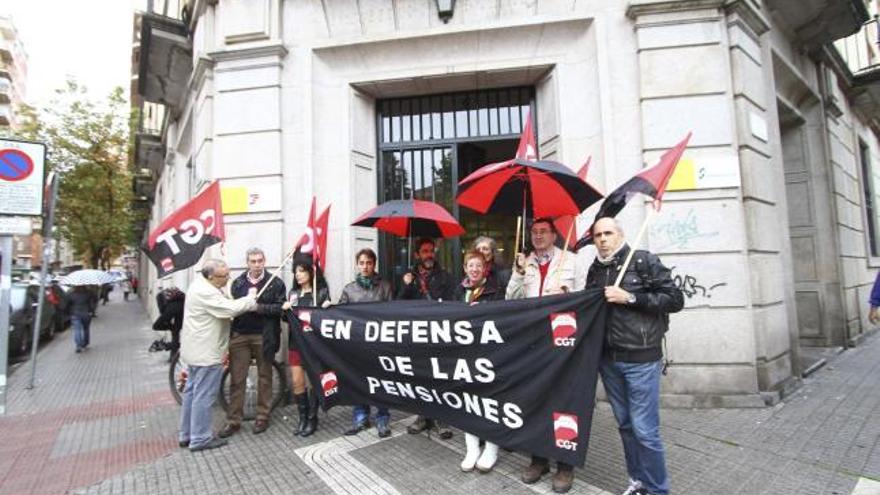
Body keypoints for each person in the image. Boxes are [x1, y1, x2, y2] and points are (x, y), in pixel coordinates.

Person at [586, 217, 683, 495]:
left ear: (620, 235)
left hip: (641, 359)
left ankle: (657, 490)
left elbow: (675, 299)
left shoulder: (643, 261)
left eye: (608, 233)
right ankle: (638, 482)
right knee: (626, 426)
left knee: (644, 430)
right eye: (597, 235)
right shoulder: (595, 270)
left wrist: (630, 297)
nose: (602, 239)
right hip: (608, 360)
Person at [506, 217, 578, 492]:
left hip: (564, 343)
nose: (537, 236)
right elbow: (510, 298)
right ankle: (539, 459)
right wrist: (519, 273)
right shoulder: (525, 263)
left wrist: (570, 294)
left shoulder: (571, 261)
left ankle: (564, 465)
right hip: (534, 343)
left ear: (554, 234)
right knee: (535, 400)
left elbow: (589, 297)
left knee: (564, 402)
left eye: (543, 231)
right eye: (534, 232)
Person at [178, 259, 257, 452]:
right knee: (203, 396)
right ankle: (200, 439)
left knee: (192, 392)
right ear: (211, 276)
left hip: (194, 350)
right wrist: (250, 298)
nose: (228, 278)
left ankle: (186, 434)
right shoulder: (205, 291)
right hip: (206, 352)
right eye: (224, 276)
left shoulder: (201, 285)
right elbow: (229, 309)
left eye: (228, 273)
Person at [219, 247, 287, 438]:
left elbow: (281, 308)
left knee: (265, 377)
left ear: (264, 261)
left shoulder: (275, 283)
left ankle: (262, 416)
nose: (257, 265)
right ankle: (233, 421)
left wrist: (259, 307)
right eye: (253, 261)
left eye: (259, 261)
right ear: (247, 263)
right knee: (237, 379)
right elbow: (230, 307)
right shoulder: (238, 283)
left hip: (264, 336)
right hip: (240, 335)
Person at [398, 237, 455, 438]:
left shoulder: (446, 277)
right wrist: (406, 286)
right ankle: (423, 416)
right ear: (417, 255)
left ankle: (441, 418)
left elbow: (452, 304)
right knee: (420, 376)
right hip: (417, 336)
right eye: (424, 251)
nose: (429, 254)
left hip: (439, 335)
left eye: (431, 250)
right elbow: (398, 306)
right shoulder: (409, 277)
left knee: (439, 377)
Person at [453, 250, 504, 472]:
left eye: (478, 265)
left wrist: (482, 312)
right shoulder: (458, 290)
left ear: (485, 268)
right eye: (470, 265)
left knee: (489, 400)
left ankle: (491, 448)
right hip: (464, 353)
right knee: (468, 400)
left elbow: (503, 317)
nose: (474, 269)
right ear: (465, 268)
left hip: (488, 353)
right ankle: (472, 448)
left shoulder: (495, 290)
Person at [339, 248, 394, 437]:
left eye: (368, 263)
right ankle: (360, 417)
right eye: (361, 263)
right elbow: (339, 315)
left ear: (374, 264)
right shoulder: (349, 289)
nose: (365, 266)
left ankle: (382, 418)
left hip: (379, 343)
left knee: (380, 381)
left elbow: (393, 314)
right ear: (357, 264)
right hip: (357, 344)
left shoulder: (385, 287)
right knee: (358, 380)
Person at [283, 255, 330, 437]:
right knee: (297, 381)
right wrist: (285, 310)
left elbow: (326, 320)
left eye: (302, 271)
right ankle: (302, 417)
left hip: (314, 344)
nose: (298, 275)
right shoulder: (293, 294)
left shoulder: (321, 292)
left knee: (314, 381)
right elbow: (287, 320)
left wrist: (327, 308)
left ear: (311, 272)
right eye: (296, 272)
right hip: (296, 343)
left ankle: (312, 418)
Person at [153, 287, 185, 353]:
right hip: (183, 308)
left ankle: (168, 346)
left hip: (173, 308)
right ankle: (173, 352)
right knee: (176, 331)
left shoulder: (160, 297)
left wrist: (169, 325)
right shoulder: (174, 298)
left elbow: (161, 310)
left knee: (156, 326)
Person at [68, 285, 97, 353]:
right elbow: (95, 299)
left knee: (77, 330)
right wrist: (91, 310)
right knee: (86, 329)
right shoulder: (89, 293)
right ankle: (85, 343)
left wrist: (69, 312)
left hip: (75, 313)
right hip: (86, 313)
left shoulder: (71, 294)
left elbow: (68, 304)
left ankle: (78, 345)